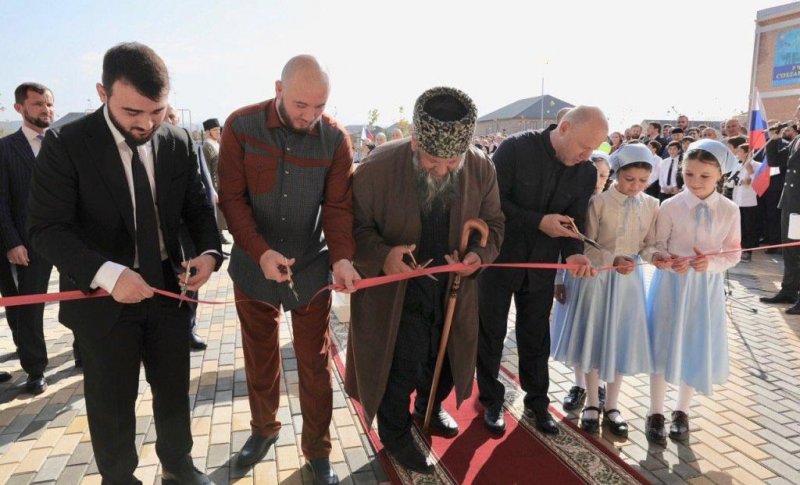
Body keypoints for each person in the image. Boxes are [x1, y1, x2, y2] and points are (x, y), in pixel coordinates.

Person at [27, 42, 222, 485]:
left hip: (170, 291)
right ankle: (119, 478)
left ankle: (178, 466)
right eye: (133, 112)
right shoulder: (66, 144)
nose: (147, 123)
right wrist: (110, 275)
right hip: (101, 298)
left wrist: (210, 255)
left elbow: (198, 210)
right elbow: (46, 229)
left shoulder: (176, 141)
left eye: (157, 111)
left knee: (173, 390)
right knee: (111, 401)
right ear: (101, 92)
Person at [345, 86, 504, 474]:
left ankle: (430, 409)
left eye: (453, 162)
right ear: (415, 140)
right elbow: (353, 228)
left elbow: (496, 225)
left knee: (445, 360)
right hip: (397, 291)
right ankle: (396, 432)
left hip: (453, 290)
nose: (442, 170)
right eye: (433, 160)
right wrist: (383, 255)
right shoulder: (376, 168)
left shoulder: (481, 167)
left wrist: (478, 257)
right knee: (400, 365)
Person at [218, 54, 359, 485]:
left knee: (315, 364)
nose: (311, 116)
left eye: (319, 107)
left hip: (312, 270)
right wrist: (260, 252)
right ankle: (263, 430)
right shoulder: (240, 127)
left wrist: (342, 258)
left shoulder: (334, 140)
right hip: (252, 266)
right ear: (278, 89)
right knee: (260, 357)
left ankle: (317, 450)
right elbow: (232, 200)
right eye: (301, 105)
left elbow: (336, 208)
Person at [477, 106, 607, 436]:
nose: (587, 155)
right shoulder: (515, 149)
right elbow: (492, 203)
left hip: (542, 267)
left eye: (595, 149)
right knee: (490, 332)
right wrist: (538, 221)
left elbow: (572, 220)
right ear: (563, 128)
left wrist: (574, 255)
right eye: (584, 146)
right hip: (499, 260)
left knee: (536, 337)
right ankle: (491, 398)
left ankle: (537, 402)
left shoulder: (586, 173)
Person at [552, 144, 659, 437]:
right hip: (597, 278)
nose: (635, 186)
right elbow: (586, 243)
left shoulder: (651, 205)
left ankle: (612, 405)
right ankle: (591, 403)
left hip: (628, 284)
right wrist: (613, 259)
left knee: (619, 340)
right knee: (595, 339)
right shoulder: (597, 203)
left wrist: (656, 257)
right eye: (629, 179)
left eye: (642, 181)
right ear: (616, 174)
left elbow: (649, 244)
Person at [645, 139, 741, 444]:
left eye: (704, 176)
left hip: (704, 289)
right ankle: (655, 411)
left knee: (693, 345)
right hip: (671, 287)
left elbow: (734, 252)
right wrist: (664, 260)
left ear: (719, 177)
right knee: (662, 345)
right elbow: (655, 246)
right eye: (689, 175)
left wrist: (710, 263)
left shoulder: (729, 209)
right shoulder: (670, 206)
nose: (695, 182)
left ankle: (682, 410)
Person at [0, 82, 60, 392]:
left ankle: (84, 355)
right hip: (29, 243)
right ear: (20, 108)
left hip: (70, 239)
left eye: (49, 104)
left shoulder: (65, 144)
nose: (46, 109)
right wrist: (12, 241)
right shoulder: (6, 149)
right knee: (29, 308)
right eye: (38, 104)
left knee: (83, 299)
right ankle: (36, 368)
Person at [552, 151, 610, 413]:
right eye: (595, 174)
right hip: (577, 278)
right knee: (579, 331)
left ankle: (598, 383)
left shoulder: (611, 204)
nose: (598, 181)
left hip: (607, 280)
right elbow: (558, 245)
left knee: (600, 332)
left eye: (604, 176)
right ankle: (579, 384)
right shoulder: (572, 203)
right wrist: (558, 280)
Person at [163, 106, 211, 350]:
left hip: (188, 231)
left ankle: (189, 327)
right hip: (162, 234)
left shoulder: (187, 144)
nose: (169, 120)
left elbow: (204, 186)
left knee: (191, 279)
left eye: (173, 116)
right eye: (165, 116)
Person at [760, 102, 800, 312]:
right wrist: (774, 139)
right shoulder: (797, 140)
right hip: (791, 203)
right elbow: (776, 161)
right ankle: (789, 290)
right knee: (791, 250)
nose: (796, 115)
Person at [202, 117, 230, 245]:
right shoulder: (207, 146)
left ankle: (221, 234)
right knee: (216, 214)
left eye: (219, 129)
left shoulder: (217, 144)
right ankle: (217, 237)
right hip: (214, 184)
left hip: (222, 182)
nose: (218, 132)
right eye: (215, 129)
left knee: (222, 213)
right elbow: (206, 169)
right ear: (208, 132)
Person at [728, 140, 758, 261]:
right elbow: (731, 182)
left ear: (747, 153)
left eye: (740, 151)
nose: (737, 153)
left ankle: (748, 251)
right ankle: (738, 249)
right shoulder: (738, 165)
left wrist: (751, 174)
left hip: (750, 202)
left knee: (749, 227)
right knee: (739, 227)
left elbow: (759, 182)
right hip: (737, 201)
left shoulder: (756, 165)